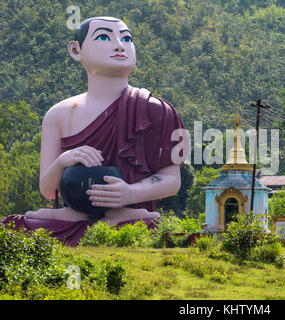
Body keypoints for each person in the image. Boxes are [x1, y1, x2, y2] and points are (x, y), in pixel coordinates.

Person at [1, 16, 189, 246]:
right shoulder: (58, 114)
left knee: (152, 231)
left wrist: (130, 193)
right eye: (103, 37)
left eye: (127, 38)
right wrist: (63, 161)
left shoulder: (155, 109)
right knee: (15, 227)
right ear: (76, 50)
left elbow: (172, 180)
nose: (120, 45)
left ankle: (118, 217)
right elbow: (49, 191)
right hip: (72, 217)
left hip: (130, 218)